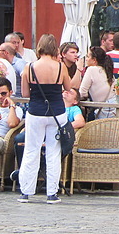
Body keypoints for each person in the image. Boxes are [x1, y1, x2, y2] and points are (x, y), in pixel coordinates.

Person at [18, 34, 72, 204]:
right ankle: (52, 193)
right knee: (53, 152)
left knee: (31, 150)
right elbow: (68, 87)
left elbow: (25, 93)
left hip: (36, 111)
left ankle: (26, 191)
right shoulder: (60, 67)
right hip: (56, 112)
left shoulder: (29, 67)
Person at [79, 46, 116, 118]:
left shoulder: (91, 70)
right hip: (113, 109)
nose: (86, 59)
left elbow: (82, 93)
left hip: (102, 111)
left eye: (87, 56)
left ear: (94, 60)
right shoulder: (108, 71)